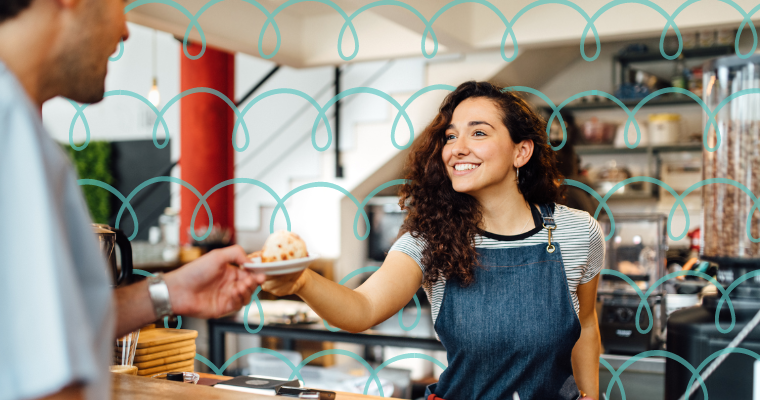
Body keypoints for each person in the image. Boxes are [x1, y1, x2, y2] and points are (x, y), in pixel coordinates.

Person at [264, 82, 605, 399]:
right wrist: (302, 280)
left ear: (521, 151)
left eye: (479, 132)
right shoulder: (432, 239)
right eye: (451, 136)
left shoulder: (577, 231)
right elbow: (362, 309)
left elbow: (586, 323)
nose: (458, 148)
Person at [0, 1, 265, 399]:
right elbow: (47, 379)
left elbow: (41, 329)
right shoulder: (11, 131)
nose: (125, 31)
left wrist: (171, 291)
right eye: (119, 4)